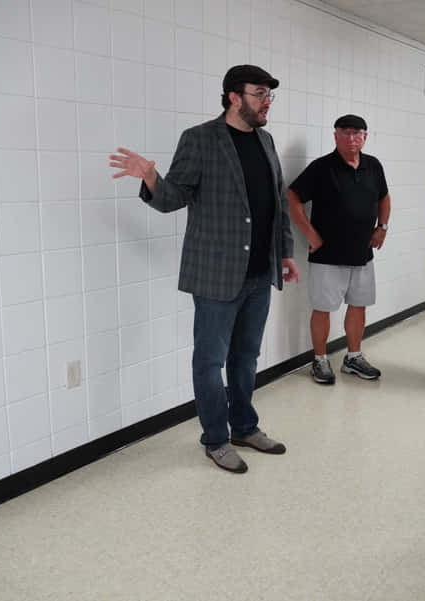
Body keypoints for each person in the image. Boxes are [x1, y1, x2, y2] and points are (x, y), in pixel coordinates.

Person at [109, 65, 299, 474]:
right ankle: (215, 438)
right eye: (259, 93)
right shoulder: (200, 139)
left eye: (270, 94)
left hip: (258, 273)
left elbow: (277, 203)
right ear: (234, 96)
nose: (267, 101)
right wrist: (150, 177)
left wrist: (284, 252)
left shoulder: (265, 140)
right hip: (216, 275)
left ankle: (245, 426)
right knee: (210, 360)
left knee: (247, 356)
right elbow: (173, 198)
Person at [288, 115, 391, 384]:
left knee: (359, 305)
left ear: (365, 137)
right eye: (345, 133)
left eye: (357, 133)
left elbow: (384, 196)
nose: (352, 138)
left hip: (362, 253)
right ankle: (320, 360)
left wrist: (383, 227)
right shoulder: (322, 168)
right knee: (323, 308)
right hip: (327, 256)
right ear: (335, 136)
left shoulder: (373, 166)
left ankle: (353, 357)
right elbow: (292, 197)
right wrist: (310, 233)